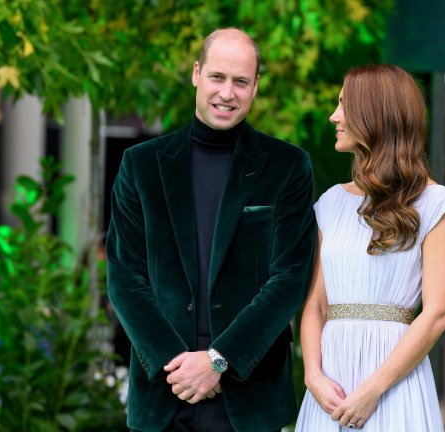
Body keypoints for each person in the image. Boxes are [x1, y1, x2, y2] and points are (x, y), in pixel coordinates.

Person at [106, 27, 316, 432]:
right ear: (197, 73)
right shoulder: (141, 165)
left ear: (255, 87)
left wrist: (220, 360)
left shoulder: (288, 166)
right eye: (218, 77)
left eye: (241, 82)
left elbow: (289, 279)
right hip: (164, 391)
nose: (227, 93)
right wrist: (180, 368)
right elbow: (124, 278)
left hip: (250, 398)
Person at [295, 64, 445, 431]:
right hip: (330, 390)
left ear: (374, 114)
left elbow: (436, 314)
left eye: (344, 105)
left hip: (394, 387)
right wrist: (312, 375)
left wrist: (373, 389)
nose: (333, 116)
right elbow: (315, 305)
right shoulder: (329, 203)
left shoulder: (436, 204)